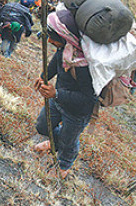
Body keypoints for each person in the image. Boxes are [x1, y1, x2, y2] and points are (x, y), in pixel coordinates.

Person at [32, 10, 98, 179]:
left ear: (64, 37)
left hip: (77, 112)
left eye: (52, 37)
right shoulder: (65, 48)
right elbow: (56, 62)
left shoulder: (83, 65)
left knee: (69, 141)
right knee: (42, 125)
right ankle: (53, 143)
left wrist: (56, 94)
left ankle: (64, 165)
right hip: (58, 100)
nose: (49, 40)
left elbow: (88, 100)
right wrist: (43, 76)